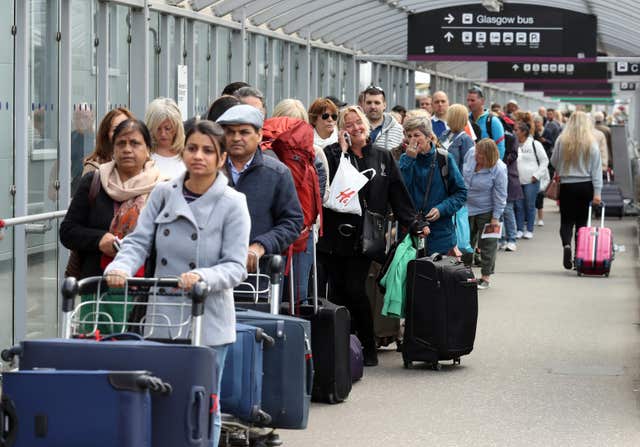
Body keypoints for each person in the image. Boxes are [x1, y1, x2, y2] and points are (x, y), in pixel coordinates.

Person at [104, 120, 250, 447]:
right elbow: (138, 241)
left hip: (208, 318)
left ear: (221, 157)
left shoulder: (233, 202)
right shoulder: (163, 193)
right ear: (183, 152)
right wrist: (121, 267)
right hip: (163, 317)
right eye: (193, 148)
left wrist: (202, 277)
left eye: (208, 151)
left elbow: (235, 266)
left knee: (202, 405)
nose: (199, 156)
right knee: (159, 400)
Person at [318, 105, 422, 367]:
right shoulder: (332, 154)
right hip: (333, 236)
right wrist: (340, 151)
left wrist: (413, 223)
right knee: (338, 292)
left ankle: (366, 344)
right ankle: (342, 346)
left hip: (365, 237)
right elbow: (325, 185)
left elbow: (397, 193)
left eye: (358, 123)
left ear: (366, 124)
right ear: (342, 130)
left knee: (356, 289)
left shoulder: (382, 157)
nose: (355, 128)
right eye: (349, 125)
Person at [59, 119, 165, 329]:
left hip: (143, 290)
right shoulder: (95, 182)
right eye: (121, 143)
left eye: (135, 143)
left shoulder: (162, 189)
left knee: (137, 355)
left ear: (148, 150)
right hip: (97, 287)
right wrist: (99, 240)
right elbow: (68, 231)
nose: (127, 149)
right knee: (96, 354)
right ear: (113, 149)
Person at [216, 104, 303, 273]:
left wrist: (261, 245)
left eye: (244, 132)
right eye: (230, 132)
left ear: (259, 135)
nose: (236, 138)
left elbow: (292, 221)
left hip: (259, 273)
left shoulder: (277, 173)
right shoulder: (210, 172)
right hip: (214, 268)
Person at [399, 115, 467, 256]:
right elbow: (401, 192)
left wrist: (442, 209)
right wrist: (409, 161)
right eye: (409, 135)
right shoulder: (405, 159)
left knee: (437, 274)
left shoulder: (444, 159)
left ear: (429, 137)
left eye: (417, 135)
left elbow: (461, 193)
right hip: (412, 231)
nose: (412, 140)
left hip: (440, 232)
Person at [550, 111, 603, 270]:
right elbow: (597, 170)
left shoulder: (561, 140)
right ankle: (578, 256)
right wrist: (597, 194)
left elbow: (554, 162)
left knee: (566, 221)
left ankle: (566, 245)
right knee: (582, 223)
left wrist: (564, 168)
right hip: (586, 186)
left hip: (567, 186)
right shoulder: (591, 143)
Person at [462, 139, 508, 289]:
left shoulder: (499, 169)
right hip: (466, 207)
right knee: (465, 242)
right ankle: (464, 273)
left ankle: (485, 277)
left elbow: (501, 195)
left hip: (487, 210)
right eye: (476, 153)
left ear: (489, 157)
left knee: (488, 245)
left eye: (481, 156)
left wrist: (495, 217)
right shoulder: (471, 154)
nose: (476, 157)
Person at [513, 121, 549, 239]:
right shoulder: (515, 144)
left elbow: (544, 161)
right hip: (517, 180)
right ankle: (519, 229)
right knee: (518, 206)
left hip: (531, 181)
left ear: (523, 132)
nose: (514, 132)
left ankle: (529, 229)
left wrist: (537, 175)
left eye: (517, 130)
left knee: (529, 205)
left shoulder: (535, 144)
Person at [82, 107, 135, 175]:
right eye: (116, 129)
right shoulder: (93, 169)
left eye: (126, 127)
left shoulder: (141, 165)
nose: (122, 133)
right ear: (106, 134)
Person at [145, 97, 186, 178]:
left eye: (168, 128)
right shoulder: (144, 155)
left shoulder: (187, 154)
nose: (163, 134)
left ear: (177, 127)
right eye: (158, 128)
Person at [466, 86, 506, 159]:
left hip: (489, 167)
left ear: (482, 101)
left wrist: (493, 168)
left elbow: (500, 148)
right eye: (468, 100)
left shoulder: (493, 121)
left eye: (472, 100)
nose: (469, 104)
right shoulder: (466, 120)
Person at [362, 86, 404, 152]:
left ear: (384, 105)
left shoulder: (398, 129)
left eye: (377, 103)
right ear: (363, 105)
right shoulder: (356, 128)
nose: (373, 106)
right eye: (369, 103)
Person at [440, 104, 475, 172]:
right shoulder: (445, 133)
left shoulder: (466, 139)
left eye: (449, 115)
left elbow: (468, 166)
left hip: (455, 179)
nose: (446, 117)